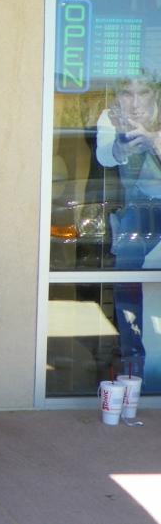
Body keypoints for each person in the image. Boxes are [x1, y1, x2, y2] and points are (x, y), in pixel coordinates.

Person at [94, 70, 161, 381]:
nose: (135, 102)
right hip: (140, 206)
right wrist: (121, 148)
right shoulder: (110, 117)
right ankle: (133, 359)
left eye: (142, 92)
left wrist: (154, 141)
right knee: (126, 271)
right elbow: (105, 157)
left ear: (155, 95)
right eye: (126, 93)